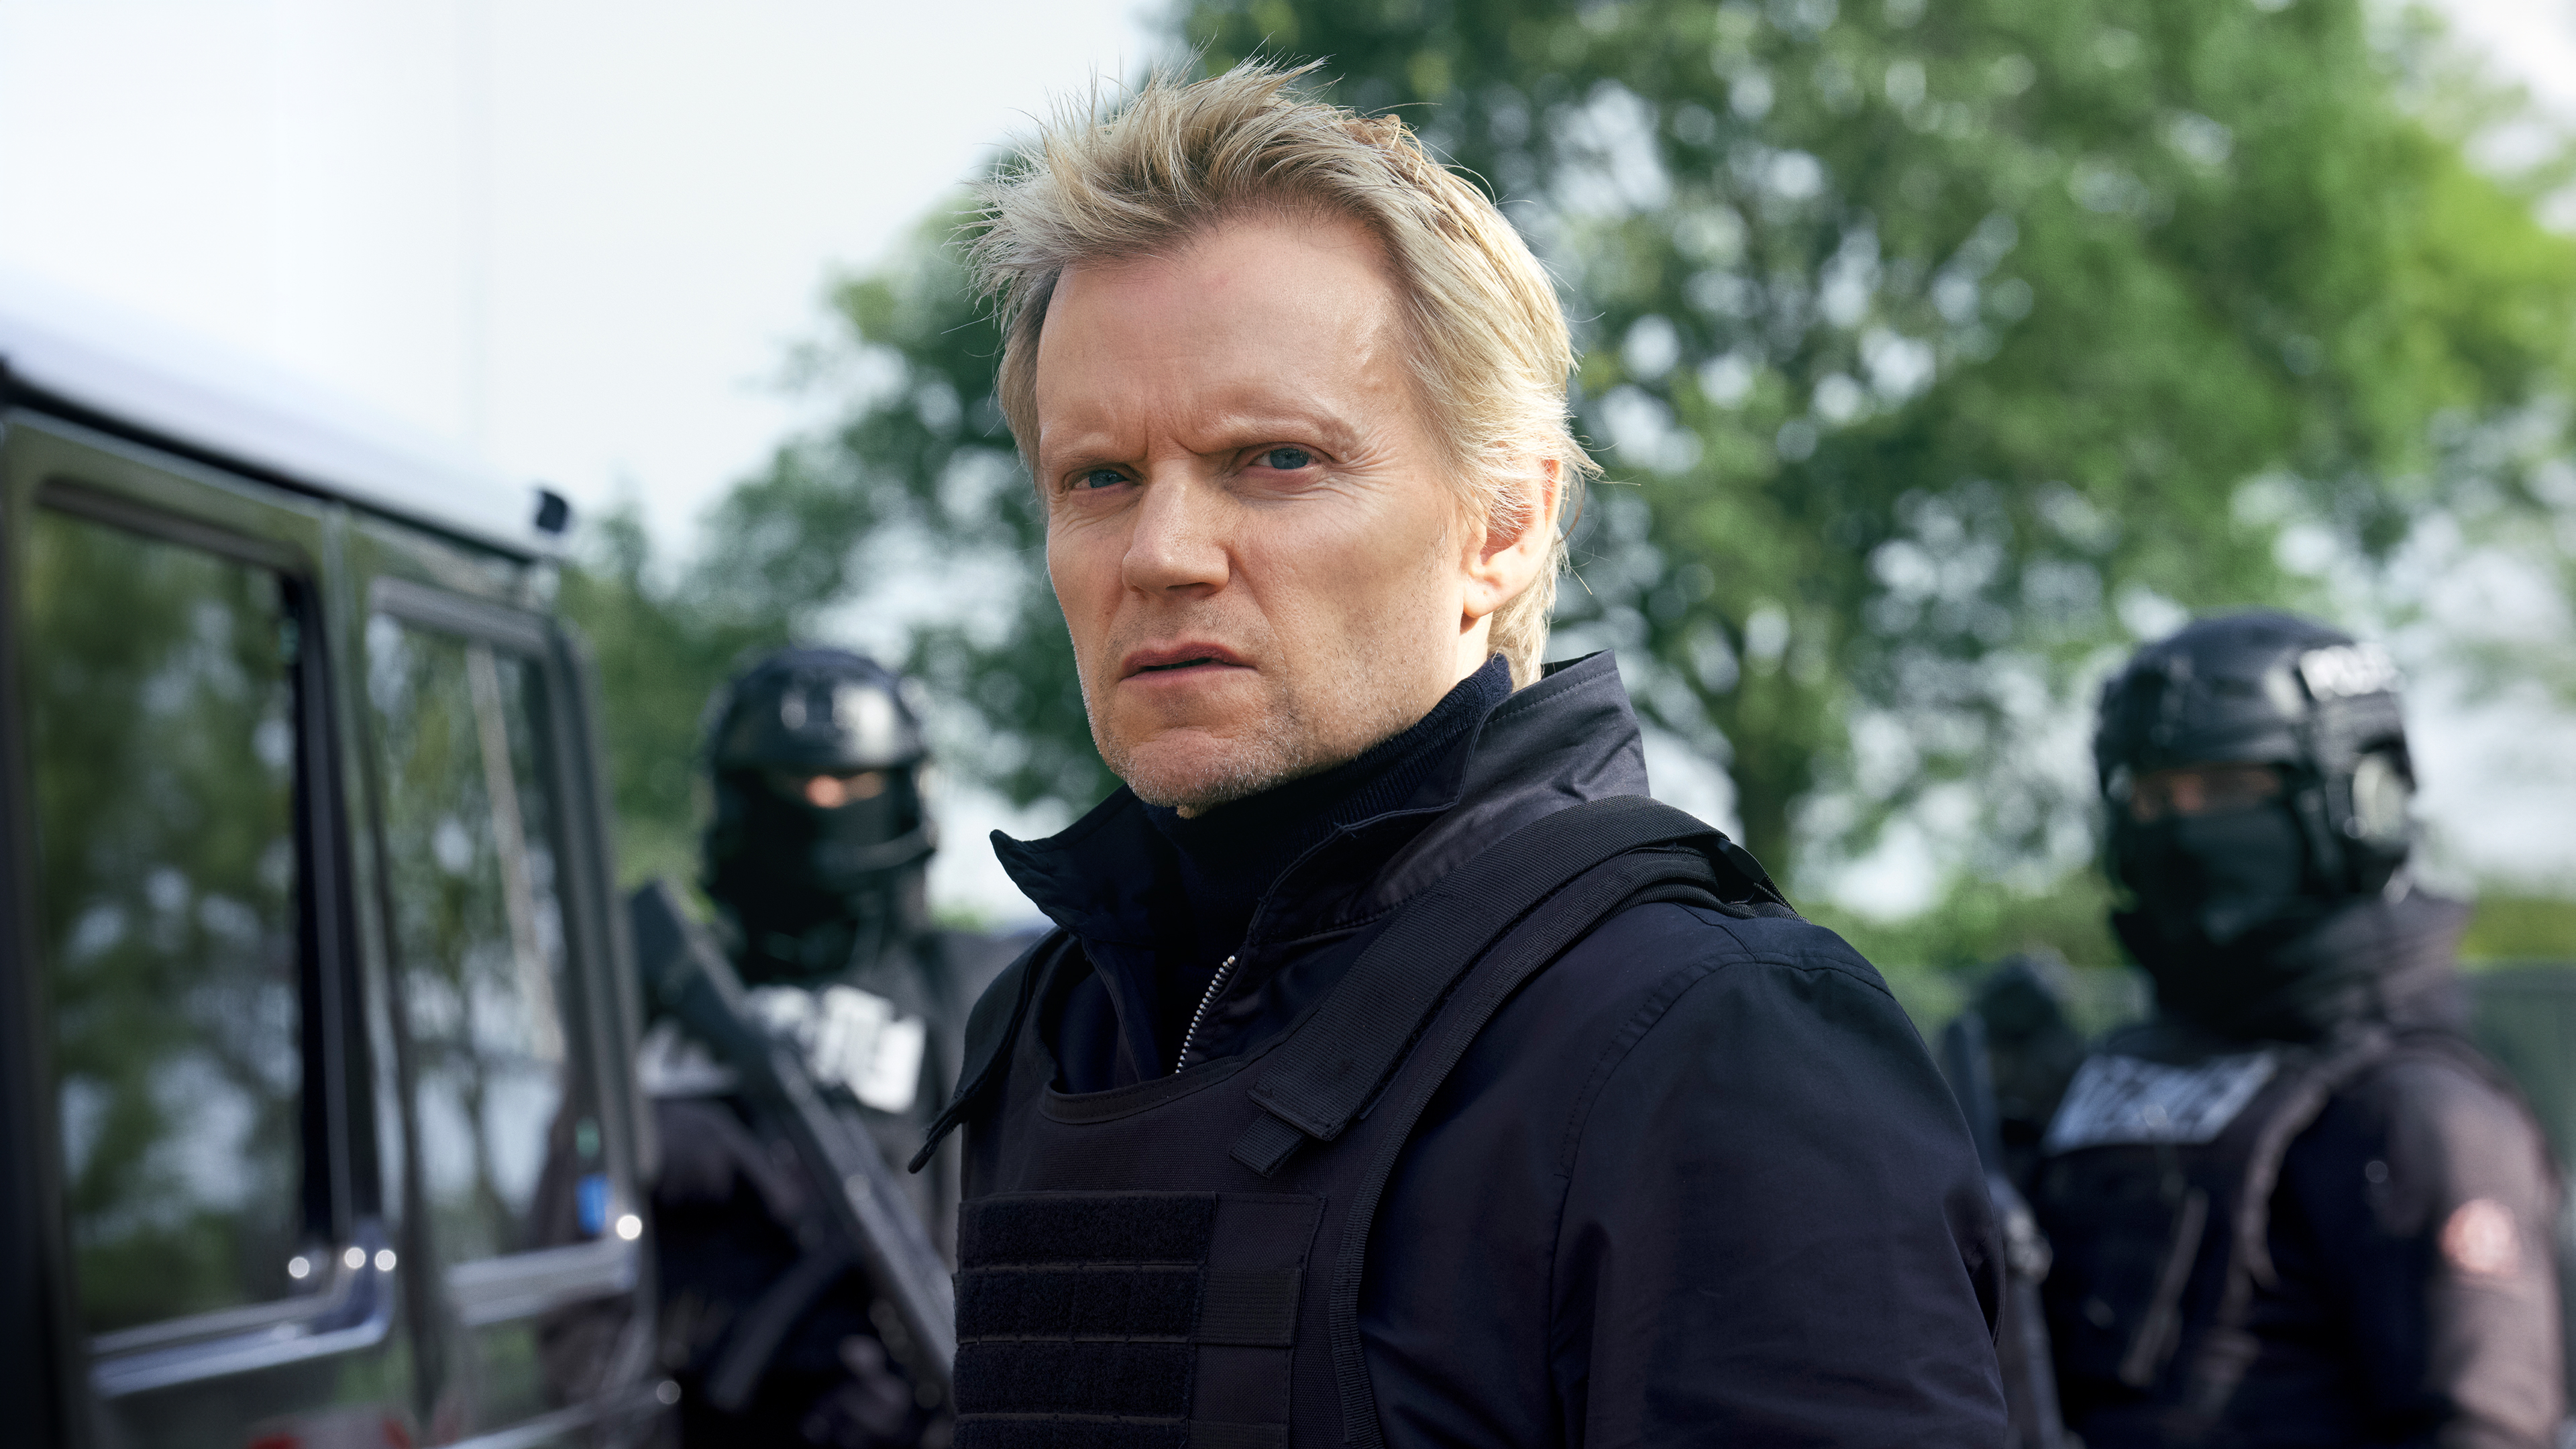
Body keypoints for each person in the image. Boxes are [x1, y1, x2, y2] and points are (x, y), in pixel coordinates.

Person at [908, 61, 2009, 1446]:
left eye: (1274, 460)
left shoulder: (1711, 1039)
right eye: (1101, 478)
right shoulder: (1049, 1030)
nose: (1163, 553)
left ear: (1502, 527)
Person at [2033, 610, 2564, 1447]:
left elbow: (2481, 1425)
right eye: (2153, 796)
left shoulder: (2415, 1108)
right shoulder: (2111, 1074)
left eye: (2226, 789)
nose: (2182, 828)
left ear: (2360, 801)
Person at [624, 647, 1022, 1448]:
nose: (821, 806)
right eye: (791, 782)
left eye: (854, 781)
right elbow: (567, 1230)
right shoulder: (651, 992)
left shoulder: (983, 987)